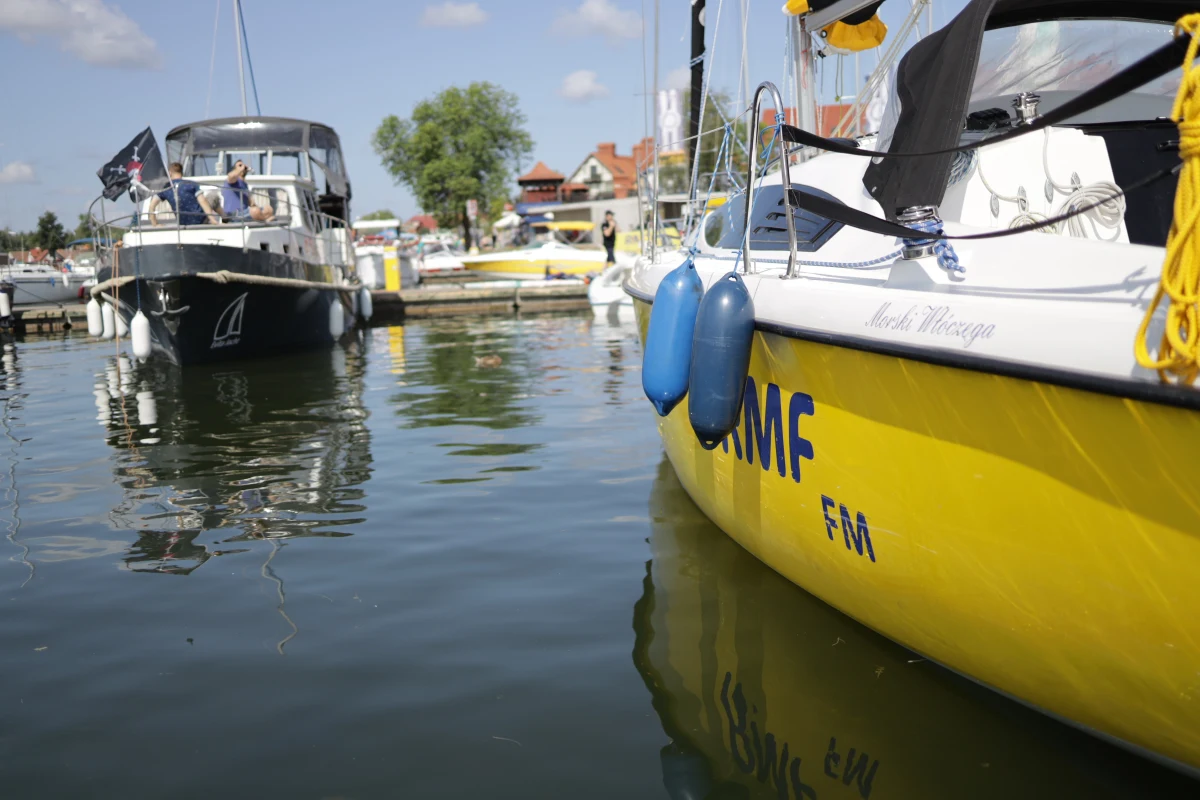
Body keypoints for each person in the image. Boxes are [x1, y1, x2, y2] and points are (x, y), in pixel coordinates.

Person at [149, 162, 218, 226]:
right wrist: (212, 220)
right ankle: (224, 217)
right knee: (213, 196)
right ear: (182, 172)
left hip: (182, 223)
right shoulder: (191, 184)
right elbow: (203, 201)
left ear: (169, 173)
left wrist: (155, 224)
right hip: (199, 220)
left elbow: (152, 206)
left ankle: (223, 217)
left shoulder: (166, 187)